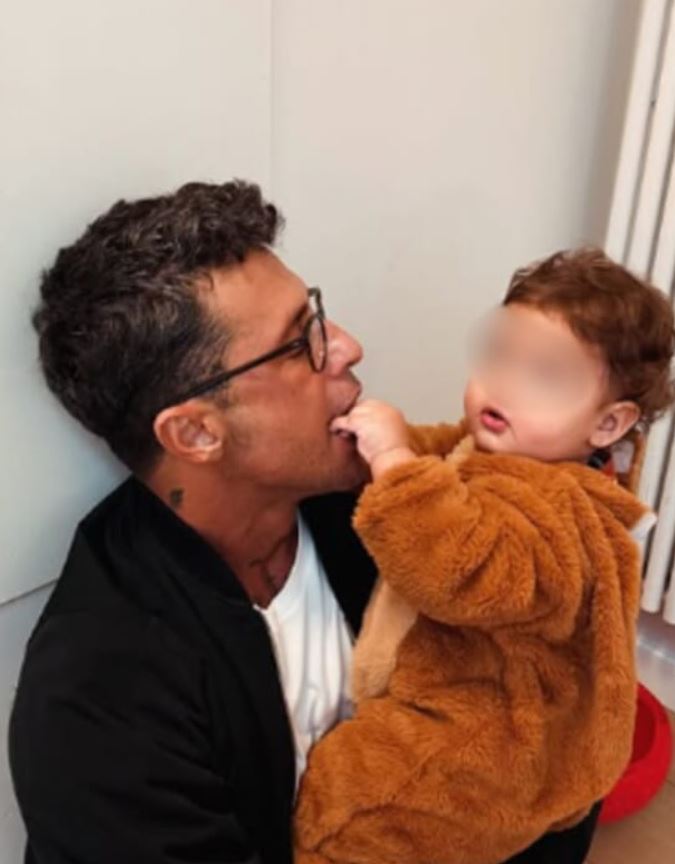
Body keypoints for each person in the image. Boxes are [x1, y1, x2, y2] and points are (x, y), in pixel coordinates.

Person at [8, 182, 620, 864]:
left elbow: (553, 716)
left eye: (318, 314)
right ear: (196, 433)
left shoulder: (382, 505)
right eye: (300, 342)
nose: (347, 347)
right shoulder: (99, 704)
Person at [294, 249, 675, 864]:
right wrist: (382, 445)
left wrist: (392, 461)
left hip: (493, 738)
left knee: (354, 803)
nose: (505, 384)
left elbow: (460, 569)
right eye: (500, 356)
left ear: (608, 425)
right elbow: (442, 455)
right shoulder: (504, 447)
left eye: (544, 376)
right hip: (450, 686)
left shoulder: (564, 514)